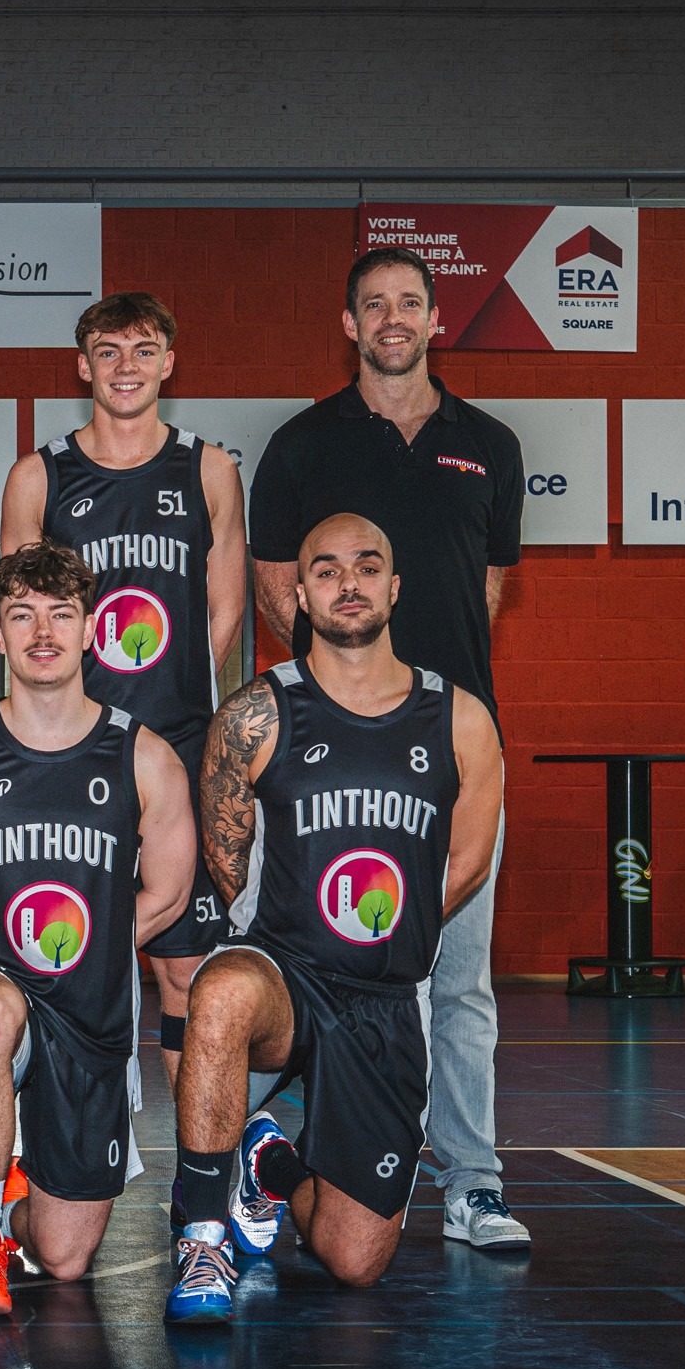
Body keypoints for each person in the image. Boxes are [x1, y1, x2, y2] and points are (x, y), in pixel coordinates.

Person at [247, 246, 530, 1252]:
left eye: (409, 302)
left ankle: (472, 1182)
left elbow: (486, 590)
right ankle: (267, 1157)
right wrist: (346, 696)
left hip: (447, 752)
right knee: (307, 966)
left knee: (457, 981)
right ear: (349, 322)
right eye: (374, 305)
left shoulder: (488, 445)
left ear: (434, 317)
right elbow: (280, 589)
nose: (393, 319)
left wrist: (424, 701)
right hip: (325, 761)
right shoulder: (302, 443)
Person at [165, 513, 503, 1324]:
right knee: (220, 991)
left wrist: (385, 936)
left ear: (394, 585)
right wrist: (295, 931)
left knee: (353, 1261)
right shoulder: (257, 714)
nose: (347, 581)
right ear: (300, 597)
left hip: (383, 1000)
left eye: (365, 565)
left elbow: (464, 863)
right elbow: (228, 857)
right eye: (325, 569)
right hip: (286, 971)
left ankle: (270, 1167)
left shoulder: (460, 719)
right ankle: (203, 1235)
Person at [0, 542, 196, 1318]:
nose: (43, 631)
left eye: (61, 614)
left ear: (92, 628)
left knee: (62, 1257)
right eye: (22, 615)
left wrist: (97, 956)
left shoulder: (144, 756)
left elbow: (169, 890)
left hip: (90, 1011)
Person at [0, 292, 244, 1087]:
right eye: (108, 351)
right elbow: (16, 614)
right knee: (56, 956)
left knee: (184, 972)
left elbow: (226, 607)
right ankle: (52, 1154)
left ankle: (197, 1181)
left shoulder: (207, 468)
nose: (126, 366)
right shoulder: (40, 474)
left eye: (143, 350)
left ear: (170, 361)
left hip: (178, 740)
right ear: (83, 367)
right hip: (73, 749)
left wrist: (168, 707)